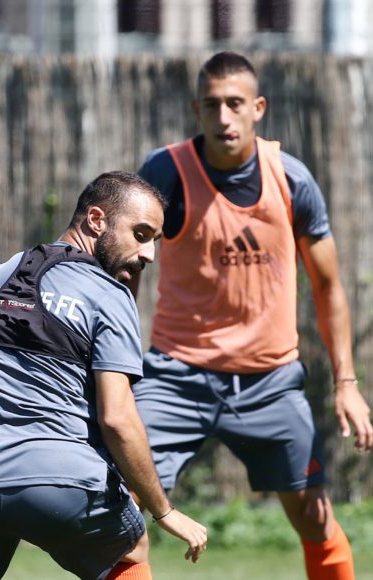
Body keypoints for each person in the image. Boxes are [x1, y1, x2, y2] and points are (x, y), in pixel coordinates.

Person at [0, 171, 207, 580]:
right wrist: (164, 511)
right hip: (63, 481)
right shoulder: (108, 294)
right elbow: (118, 419)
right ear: (96, 220)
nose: (149, 254)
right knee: (130, 549)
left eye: (154, 240)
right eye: (141, 235)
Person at [134, 51, 373, 580]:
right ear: (197, 109)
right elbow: (123, 268)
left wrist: (346, 384)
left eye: (235, 103)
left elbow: (329, 286)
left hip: (270, 380)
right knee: (123, 509)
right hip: (176, 376)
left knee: (314, 518)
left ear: (258, 108)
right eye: (212, 104)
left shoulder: (291, 179)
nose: (224, 116)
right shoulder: (165, 174)